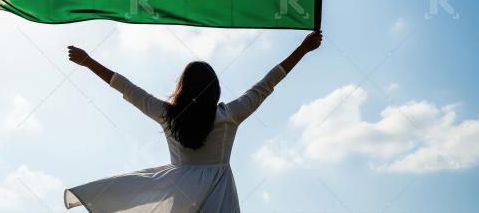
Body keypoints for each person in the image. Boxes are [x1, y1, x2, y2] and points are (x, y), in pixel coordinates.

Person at [63, 30, 323, 212]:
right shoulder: (229, 116)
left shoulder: (168, 115)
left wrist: (89, 62)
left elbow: (128, 89)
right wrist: (302, 49)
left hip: (181, 198)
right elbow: (267, 84)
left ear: (182, 88)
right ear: (215, 89)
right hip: (221, 201)